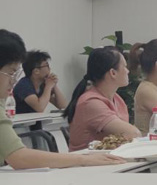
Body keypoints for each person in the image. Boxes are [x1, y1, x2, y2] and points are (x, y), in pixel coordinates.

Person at [0, 29, 124, 168]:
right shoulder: (24, 85)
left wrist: (53, 86)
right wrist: (83, 159)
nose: (13, 81)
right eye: (11, 73)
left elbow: (63, 105)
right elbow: (19, 157)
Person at [64, 46, 141, 151]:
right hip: (88, 160)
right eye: (124, 67)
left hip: (110, 157)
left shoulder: (117, 99)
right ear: (113, 73)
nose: (127, 71)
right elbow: (132, 133)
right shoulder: (91, 103)